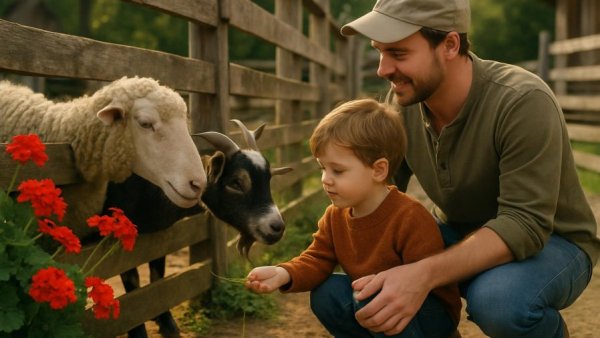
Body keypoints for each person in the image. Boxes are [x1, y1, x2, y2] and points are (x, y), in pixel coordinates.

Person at [339, 0, 600, 337]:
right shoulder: (403, 106)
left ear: (450, 44)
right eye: (379, 52)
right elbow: (378, 198)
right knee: (362, 282)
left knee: (499, 301)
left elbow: (526, 223)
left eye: (398, 54)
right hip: (457, 231)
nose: (383, 69)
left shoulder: (522, 101)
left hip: (553, 241)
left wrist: (422, 273)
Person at [245, 98, 462, 337]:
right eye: (322, 168)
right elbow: (318, 258)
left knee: (370, 296)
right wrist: (283, 273)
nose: (326, 179)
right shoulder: (335, 216)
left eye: (337, 170)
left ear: (378, 170)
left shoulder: (409, 217)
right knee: (327, 292)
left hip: (429, 316)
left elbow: (431, 282)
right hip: (376, 303)